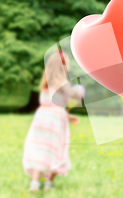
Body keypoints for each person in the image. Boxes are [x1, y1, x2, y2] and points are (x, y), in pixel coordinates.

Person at [22, 51, 82, 192]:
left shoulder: (46, 82)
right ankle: (48, 184)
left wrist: (68, 116)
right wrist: (78, 95)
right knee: (56, 149)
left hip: (41, 119)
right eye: (67, 62)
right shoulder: (61, 82)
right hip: (54, 122)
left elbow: (51, 105)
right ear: (63, 66)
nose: (69, 65)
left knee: (40, 149)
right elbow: (72, 94)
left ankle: (35, 184)